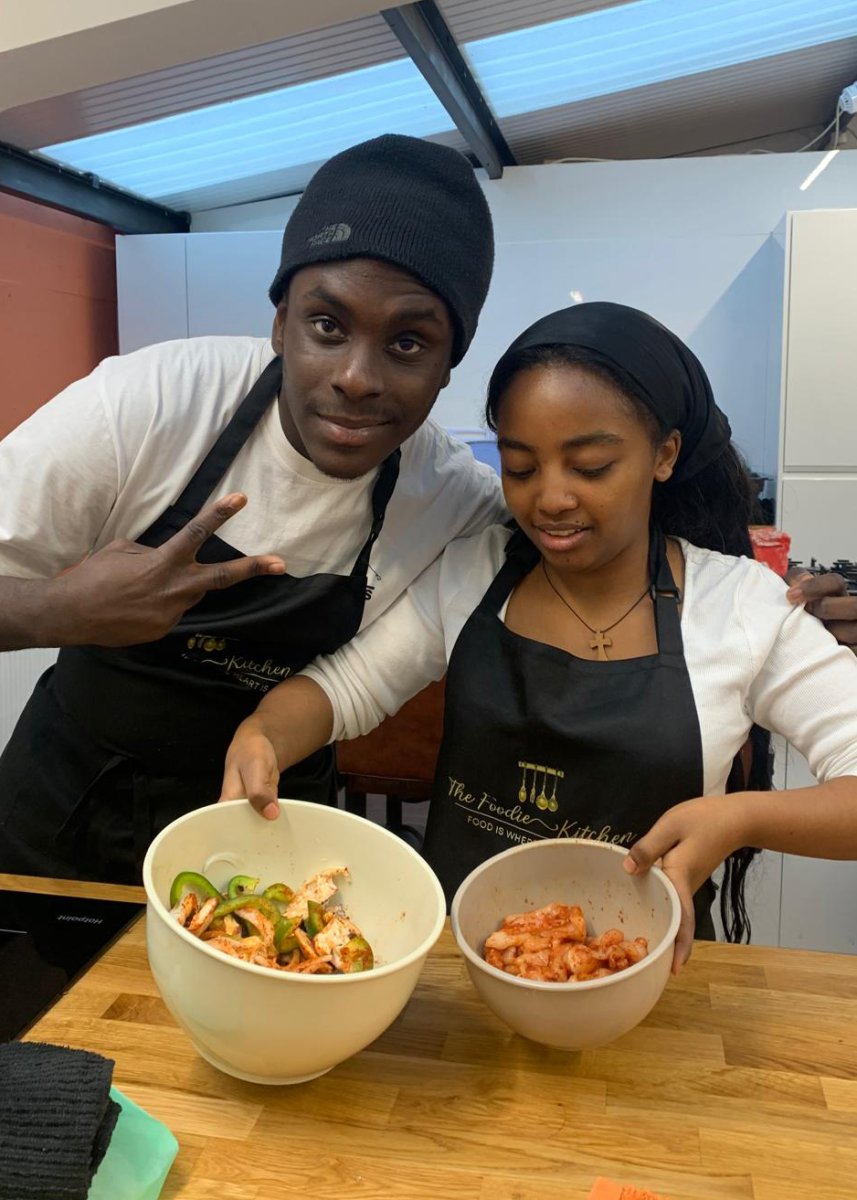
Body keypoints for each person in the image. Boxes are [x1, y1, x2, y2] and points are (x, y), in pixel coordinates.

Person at [222, 302, 857, 968]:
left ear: (662, 454)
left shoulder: (741, 607)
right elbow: (346, 688)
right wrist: (266, 730)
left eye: (588, 467)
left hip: (639, 985)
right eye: (520, 468)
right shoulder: (474, 572)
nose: (549, 499)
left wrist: (736, 819)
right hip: (457, 974)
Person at [0, 133, 505, 883]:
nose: (356, 379)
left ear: (447, 365)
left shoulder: (453, 499)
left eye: (407, 343)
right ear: (279, 323)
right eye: (326, 326)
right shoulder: (154, 402)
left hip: (272, 840)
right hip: (66, 817)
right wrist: (55, 610)